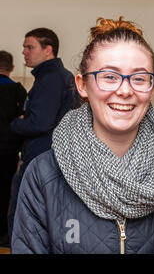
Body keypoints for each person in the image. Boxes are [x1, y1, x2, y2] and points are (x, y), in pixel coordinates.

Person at [11, 17, 154, 254]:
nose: (124, 90)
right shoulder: (44, 174)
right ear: (82, 85)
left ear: (152, 89)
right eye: (109, 76)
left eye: (139, 78)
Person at [7, 28, 79, 239]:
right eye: (24, 48)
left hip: (41, 158)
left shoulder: (51, 78)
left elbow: (40, 122)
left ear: (48, 50)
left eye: (30, 47)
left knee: (24, 217)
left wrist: (16, 123)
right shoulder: (56, 76)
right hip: (48, 157)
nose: (24, 52)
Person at [0, 51, 27, 247]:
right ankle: (3, 234)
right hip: (7, 151)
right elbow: (24, 119)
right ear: (11, 68)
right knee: (4, 192)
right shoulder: (17, 90)